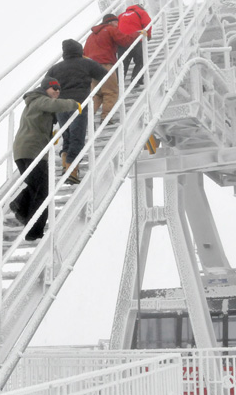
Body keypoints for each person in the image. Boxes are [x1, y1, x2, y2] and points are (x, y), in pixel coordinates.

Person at [10, 76, 80, 240]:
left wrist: (49, 137)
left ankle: (20, 205)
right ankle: (33, 230)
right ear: (44, 88)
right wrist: (74, 104)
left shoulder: (33, 103)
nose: (57, 91)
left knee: (36, 187)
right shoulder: (40, 99)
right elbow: (54, 105)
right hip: (32, 150)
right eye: (53, 87)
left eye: (59, 89)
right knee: (44, 192)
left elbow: (38, 124)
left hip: (23, 151)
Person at [46, 39, 108, 184]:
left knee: (67, 137)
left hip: (60, 106)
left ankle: (65, 166)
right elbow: (103, 74)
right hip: (78, 105)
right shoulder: (85, 63)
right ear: (79, 50)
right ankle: (72, 171)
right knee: (77, 138)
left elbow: (46, 85)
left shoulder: (55, 68)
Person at [83, 14, 139, 122]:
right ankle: (106, 117)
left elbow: (84, 53)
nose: (118, 25)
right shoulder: (110, 29)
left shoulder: (91, 36)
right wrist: (137, 34)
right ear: (110, 22)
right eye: (116, 22)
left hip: (91, 68)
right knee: (111, 91)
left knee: (97, 94)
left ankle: (87, 118)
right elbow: (124, 40)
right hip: (105, 65)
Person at [117, 4, 152, 86]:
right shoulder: (141, 12)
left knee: (123, 63)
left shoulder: (121, 16)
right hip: (136, 40)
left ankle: (118, 83)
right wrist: (148, 35)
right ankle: (136, 80)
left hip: (123, 42)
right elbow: (148, 24)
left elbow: (116, 28)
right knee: (140, 60)